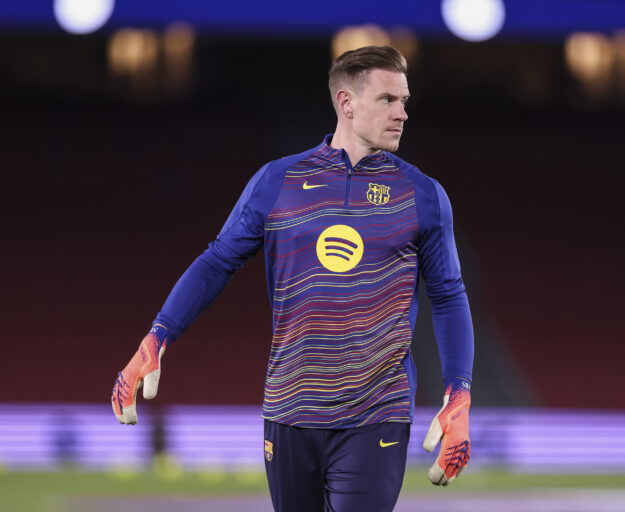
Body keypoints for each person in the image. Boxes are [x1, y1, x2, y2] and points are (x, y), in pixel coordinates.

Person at [111, 45, 474, 512]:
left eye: (405, 100)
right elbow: (217, 262)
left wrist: (458, 390)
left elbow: (448, 295)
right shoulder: (278, 181)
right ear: (346, 103)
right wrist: (157, 337)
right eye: (388, 100)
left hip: (378, 412)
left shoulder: (422, 194)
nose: (403, 113)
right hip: (289, 408)